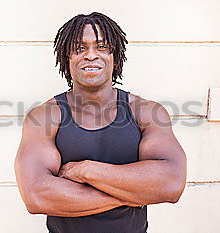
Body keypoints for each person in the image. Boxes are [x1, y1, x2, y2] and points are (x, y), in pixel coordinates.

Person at [14, 12, 187, 233]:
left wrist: (86, 171)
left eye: (102, 47)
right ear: (67, 58)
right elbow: (37, 196)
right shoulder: (45, 117)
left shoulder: (146, 112)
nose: (91, 55)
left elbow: (171, 183)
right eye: (80, 48)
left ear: (115, 56)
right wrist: (132, 194)